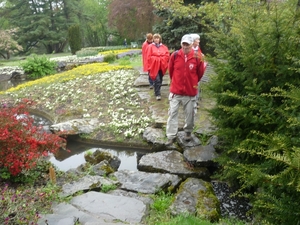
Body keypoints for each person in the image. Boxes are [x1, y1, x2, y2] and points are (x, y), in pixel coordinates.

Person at [166, 34, 206, 145]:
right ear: (181, 44)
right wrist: (176, 83)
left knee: (190, 115)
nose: (185, 47)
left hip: (190, 92)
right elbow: (171, 71)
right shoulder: (174, 56)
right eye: (183, 45)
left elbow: (200, 73)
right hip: (176, 92)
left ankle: (188, 132)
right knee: (172, 114)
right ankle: (171, 136)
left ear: (192, 44)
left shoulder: (197, 57)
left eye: (187, 45)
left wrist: (192, 83)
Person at [146, 33, 169, 101]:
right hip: (154, 66)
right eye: (155, 38)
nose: (156, 39)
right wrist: (156, 59)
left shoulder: (164, 47)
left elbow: (167, 56)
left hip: (161, 66)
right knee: (157, 79)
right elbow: (148, 57)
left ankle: (157, 90)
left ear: (159, 39)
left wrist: (161, 59)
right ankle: (157, 94)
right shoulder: (150, 47)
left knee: (160, 79)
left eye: (157, 38)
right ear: (153, 39)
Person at [190, 33, 204, 109]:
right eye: (197, 40)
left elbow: (200, 57)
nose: (199, 41)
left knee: (197, 86)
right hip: (191, 71)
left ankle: (196, 101)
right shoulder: (189, 48)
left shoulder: (197, 48)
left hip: (197, 71)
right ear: (193, 41)